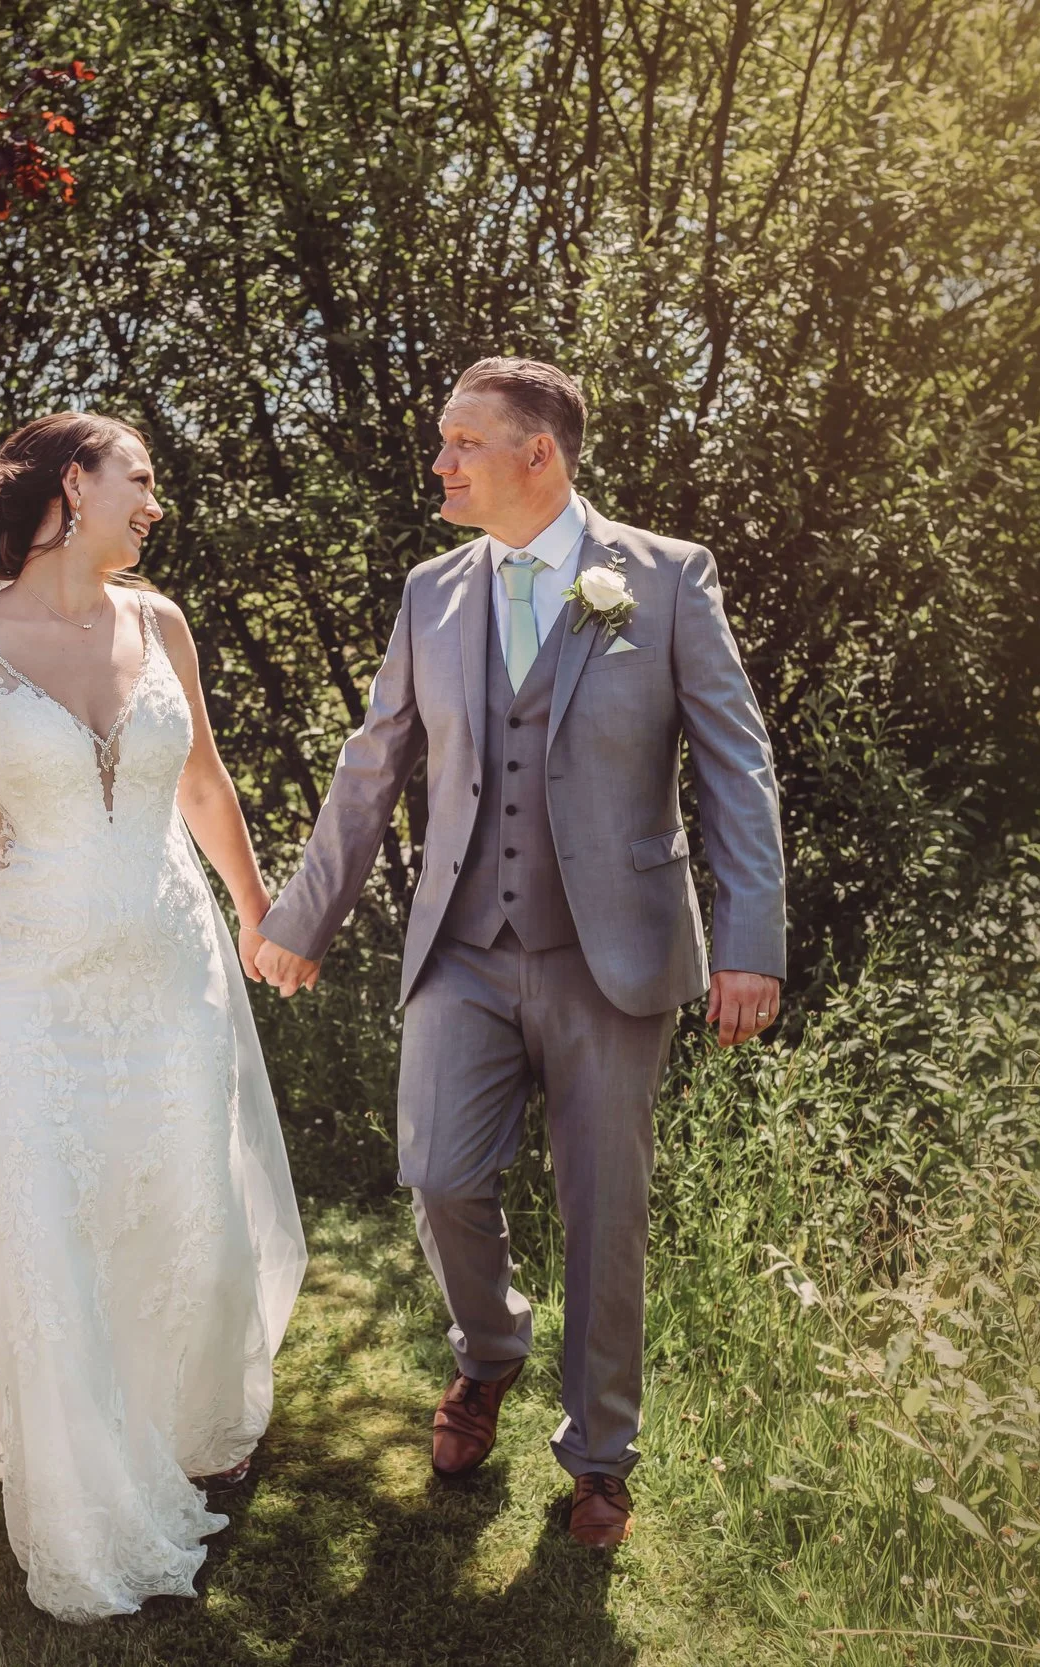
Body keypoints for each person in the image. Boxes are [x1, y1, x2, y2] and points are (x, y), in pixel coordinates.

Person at [252, 357, 786, 1550]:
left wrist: (750, 938)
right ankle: (488, 1349)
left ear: (535, 453)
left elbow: (734, 766)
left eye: (461, 442)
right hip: (464, 946)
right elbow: (373, 759)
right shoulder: (432, 592)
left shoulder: (665, 577)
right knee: (438, 1169)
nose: (439, 461)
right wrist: (302, 912)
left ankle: (600, 1457)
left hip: (619, 951)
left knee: (606, 1209)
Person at [0, 412, 307, 1621]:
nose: (155, 503)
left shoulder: (162, 626)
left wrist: (256, 913)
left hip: (167, 970)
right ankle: (80, 1497)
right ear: (72, 485)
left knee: (172, 1195)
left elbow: (200, 779)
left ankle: (177, 1420)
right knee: (42, 1212)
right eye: (139, 479)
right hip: (25, 984)